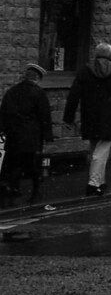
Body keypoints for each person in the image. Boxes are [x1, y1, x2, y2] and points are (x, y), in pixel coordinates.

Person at [62, 43, 111, 197]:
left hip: (89, 115)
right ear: (110, 55)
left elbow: (74, 95)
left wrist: (68, 117)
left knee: (95, 149)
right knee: (101, 152)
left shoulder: (85, 70)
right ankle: (93, 183)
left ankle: (100, 182)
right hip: (108, 117)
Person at [0, 63, 53, 202]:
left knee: (14, 163)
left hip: (14, 135)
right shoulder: (39, 93)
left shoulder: (12, 91)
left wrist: (3, 130)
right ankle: (35, 191)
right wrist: (47, 136)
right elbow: (44, 116)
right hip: (31, 136)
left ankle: (12, 187)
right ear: (37, 78)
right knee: (31, 164)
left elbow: (4, 113)